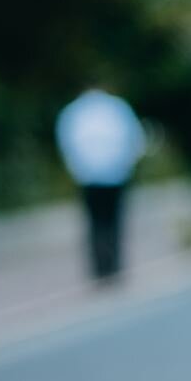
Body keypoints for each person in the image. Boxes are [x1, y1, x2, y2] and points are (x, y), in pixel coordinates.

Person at [55, 85, 145, 285]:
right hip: (116, 174)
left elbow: (66, 143)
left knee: (95, 223)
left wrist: (77, 169)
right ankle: (114, 265)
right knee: (114, 221)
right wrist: (127, 164)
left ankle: (100, 268)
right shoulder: (117, 107)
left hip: (88, 176)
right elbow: (134, 138)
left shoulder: (74, 111)